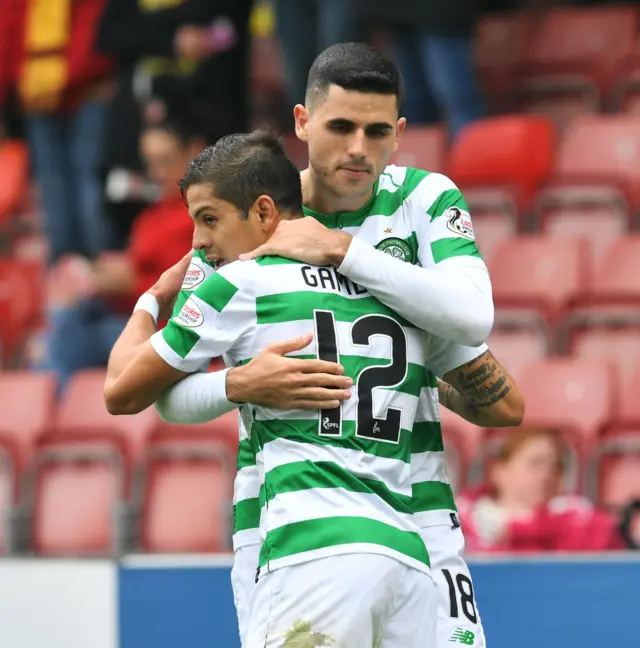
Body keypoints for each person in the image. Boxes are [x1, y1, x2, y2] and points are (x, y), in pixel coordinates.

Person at [105, 127, 523, 648]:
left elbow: (122, 391)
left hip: (311, 543)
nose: (198, 240)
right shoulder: (393, 287)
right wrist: (424, 384)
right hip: (408, 554)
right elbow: (507, 404)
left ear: (262, 212)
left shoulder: (239, 283)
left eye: (208, 219)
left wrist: (155, 298)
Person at [33, 116, 205, 389]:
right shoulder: (150, 217)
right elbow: (134, 268)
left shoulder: (201, 217)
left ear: (191, 152)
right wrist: (97, 278)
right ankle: (51, 413)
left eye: (165, 160)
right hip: (128, 312)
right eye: (151, 164)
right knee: (63, 314)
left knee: (65, 333)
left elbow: (194, 289)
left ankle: (49, 411)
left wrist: (126, 285)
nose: (158, 172)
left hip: (166, 329)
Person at [457, 427, 625, 553]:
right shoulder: (458, 517)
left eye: (556, 467)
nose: (546, 474)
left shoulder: (581, 518)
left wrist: (517, 532)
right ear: (499, 470)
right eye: (535, 463)